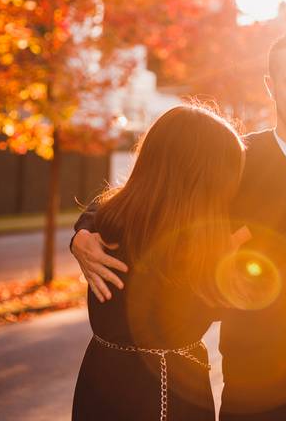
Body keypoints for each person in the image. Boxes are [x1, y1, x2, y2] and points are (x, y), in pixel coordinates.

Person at [70, 30, 286, 420]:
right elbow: (151, 191)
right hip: (254, 384)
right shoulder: (233, 159)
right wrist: (85, 229)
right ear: (271, 86)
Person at [72, 104, 245, 421]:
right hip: (166, 389)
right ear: (201, 176)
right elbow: (216, 306)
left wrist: (80, 232)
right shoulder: (185, 245)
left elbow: (100, 204)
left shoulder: (109, 220)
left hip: (100, 377)